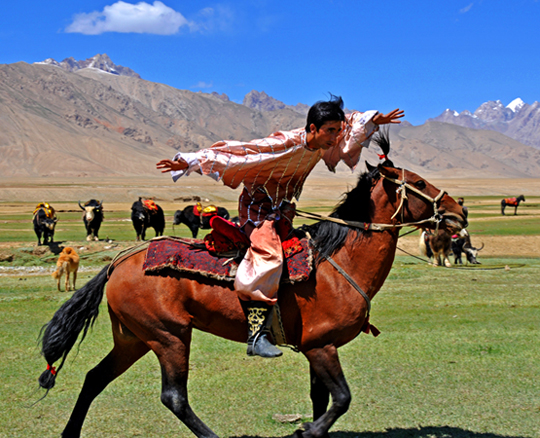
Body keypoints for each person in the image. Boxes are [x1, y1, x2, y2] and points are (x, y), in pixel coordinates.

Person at [157, 95, 404, 358]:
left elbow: (350, 124)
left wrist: (372, 119)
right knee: (269, 257)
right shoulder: (284, 143)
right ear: (312, 129)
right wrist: (189, 161)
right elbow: (242, 151)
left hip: (282, 210)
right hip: (256, 209)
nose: (335, 138)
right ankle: (257, 334)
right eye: (330, 131)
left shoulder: (323, 140)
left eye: (337, 131)